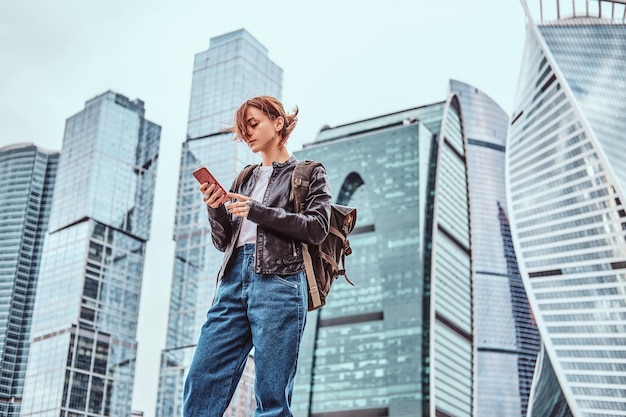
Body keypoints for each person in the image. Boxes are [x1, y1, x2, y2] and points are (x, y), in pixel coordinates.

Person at [183, 96, 332, 417]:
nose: (247, 133)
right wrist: (214, 208)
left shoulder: (308, 173)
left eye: (253, 124)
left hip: (280, 282)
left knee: (271, 393)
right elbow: (223, 240)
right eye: (243, 129)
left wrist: (258, 211)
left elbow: (317, 228)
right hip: (232, 281)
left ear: (278, 122)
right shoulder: (244, 178)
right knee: (202, 378)